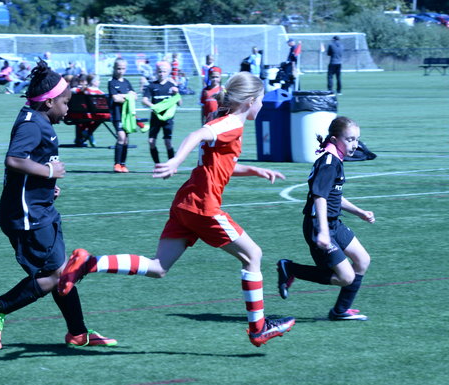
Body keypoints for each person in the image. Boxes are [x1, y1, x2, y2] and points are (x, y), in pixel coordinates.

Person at [58, 71, 296, 348]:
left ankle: (89, 263)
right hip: (203, 206)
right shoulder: (230, 122)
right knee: (253, 255)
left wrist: (254, 170)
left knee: (158, 267)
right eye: (262, 100)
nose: (263, 105)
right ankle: (258, 328)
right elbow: (197, 134)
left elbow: (221, 166)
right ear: (250, 101)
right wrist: (175, 162)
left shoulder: (228, 122)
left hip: (186, 202)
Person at [0, 60, 116, 351]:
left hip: (40, 208)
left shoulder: (40, 120)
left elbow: (29, 166)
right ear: (49, 102)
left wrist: (47, 184)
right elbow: (14, 159)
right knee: (54, 276)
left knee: (63, 271)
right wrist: (48, 171)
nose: (68, 108)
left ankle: (78, 333)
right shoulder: (32, 124)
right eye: (65, 103)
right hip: (27, 215)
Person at [277, 116, 374, 321]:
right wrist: (322, 231)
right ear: (335, 139)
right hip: (318, 225)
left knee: (362, 259)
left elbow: (333, 196)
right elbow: (319, 197)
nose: (355, 144)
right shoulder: (329, 162)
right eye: (350, 139)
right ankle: (290, 269)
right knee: (345, 277)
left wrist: (359, 212)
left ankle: (340, 311)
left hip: (333, 223)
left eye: (357, 139)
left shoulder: (335, 159)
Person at [142, 61, 181, 163]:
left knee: (168, 142)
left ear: (168, 72)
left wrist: (176, 93)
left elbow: (179, 103)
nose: (162, 73)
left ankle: (171, 165)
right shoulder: (152, 86)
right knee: (151, 141)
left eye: (164, 71)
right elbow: (144, 100)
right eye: (160, 71)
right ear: (156, 72)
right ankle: (157, 165)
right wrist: (153, 106)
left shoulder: (171, 85)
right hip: (155, 118)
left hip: (168, 119)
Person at [107, 58, 135, 173]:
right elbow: (115, 98)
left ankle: (123, 164)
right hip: (117, 115)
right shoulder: (112, 83)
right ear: (114, 68)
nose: (120, 71)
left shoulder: (127, 82)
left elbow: (134, 96)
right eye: (118, 68)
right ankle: (117, 164)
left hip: (127, 116)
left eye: (123, 69)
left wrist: (124, 96)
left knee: (126, 140)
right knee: (121, 137)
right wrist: (128, 96)